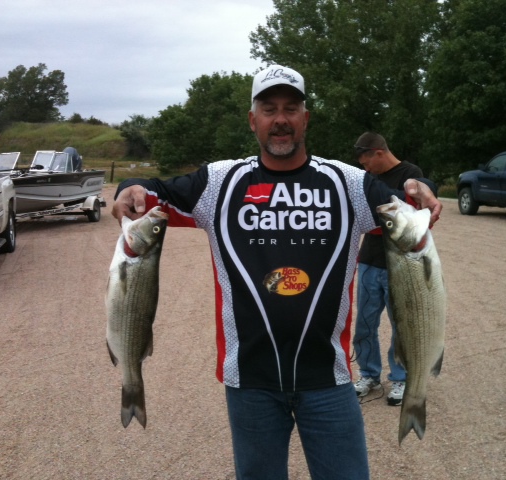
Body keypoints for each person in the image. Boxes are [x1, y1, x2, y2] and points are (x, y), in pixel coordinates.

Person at [112, 65, 442, 480]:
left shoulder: (347, 183)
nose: (280, 119)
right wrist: (129, 185)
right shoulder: (220, 182)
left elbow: (408, 206)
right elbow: (151, 192)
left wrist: (423, 187)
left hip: (329, 378)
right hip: (250, 382)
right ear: (253, 120)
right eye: (269, 109)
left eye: (291, 109)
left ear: (306, 118)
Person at [352, 132, 424, 406]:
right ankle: (368, 375)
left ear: (379, 153)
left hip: (400, 264)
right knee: (365, 323)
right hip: (369, 260)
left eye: (366, 162)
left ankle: (400, 378)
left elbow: (410, 212)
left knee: (401, 324)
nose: (365, 169)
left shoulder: (411, 174)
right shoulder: (368, 178)